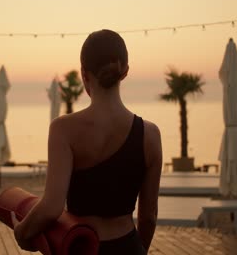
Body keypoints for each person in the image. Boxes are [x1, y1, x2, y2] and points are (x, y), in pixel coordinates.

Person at [12, 29, 162, 254]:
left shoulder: (63, 130)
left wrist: (22, 232)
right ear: (125, 72)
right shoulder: (150, 135)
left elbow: (52, 207)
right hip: (128, 245)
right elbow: (148, 217)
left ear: (84, 74)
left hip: (81, 247)